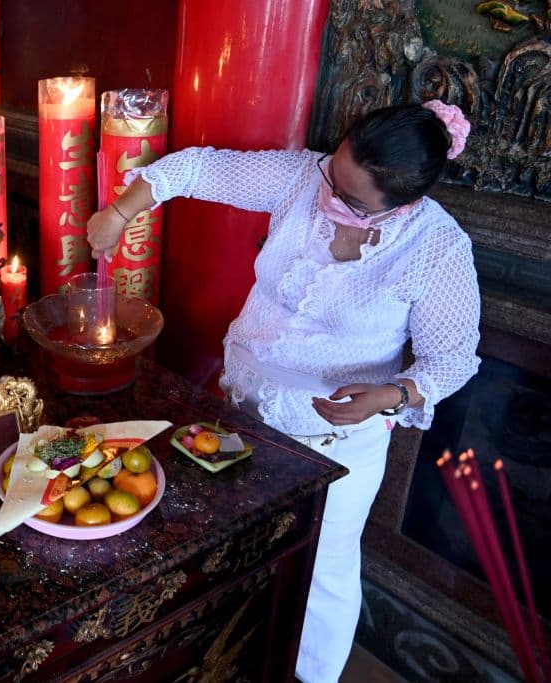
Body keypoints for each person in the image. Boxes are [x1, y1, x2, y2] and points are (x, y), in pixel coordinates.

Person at [87, 100, 480, 683]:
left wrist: (391, 396)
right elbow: (199, 168)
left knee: (322, 570)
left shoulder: (437, 247)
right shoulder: (303, 178)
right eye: (333, 174)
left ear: (403, 202)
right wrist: (121, 211)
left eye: (351, 198)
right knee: (235, 547)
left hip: (336, 441)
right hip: (243, 413)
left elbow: (452, 358)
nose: (330, 195)